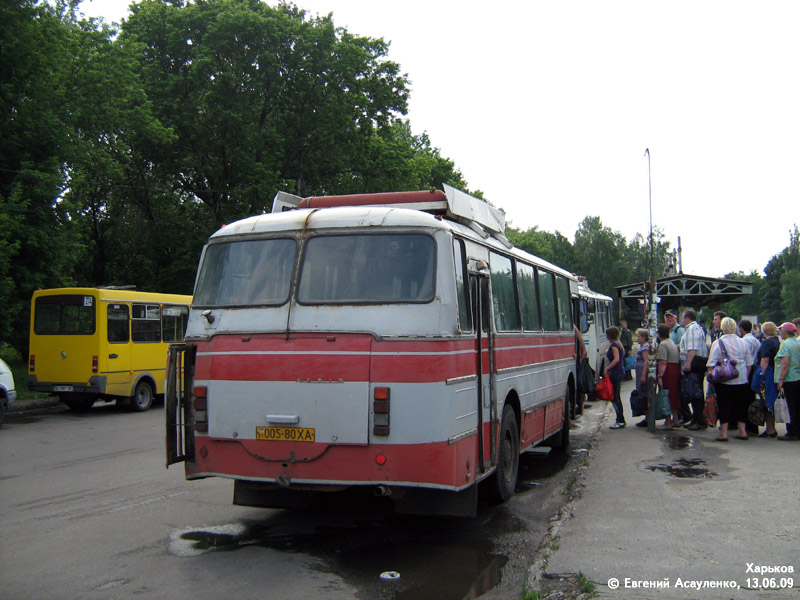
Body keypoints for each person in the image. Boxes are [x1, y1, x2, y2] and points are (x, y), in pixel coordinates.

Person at [706, 317, 751, 441]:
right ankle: (742, 431)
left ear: (722, 327)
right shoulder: (743, 342)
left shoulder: (718, 342)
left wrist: (712, 376)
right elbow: (749, 362)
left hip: (724, 379)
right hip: (741, 378)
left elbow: (711, 363)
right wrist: (745, 374)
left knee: (724, 405)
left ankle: (724, 433)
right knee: (741, 405)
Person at [679, 309, 709, 430]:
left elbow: (693, 348)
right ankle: (696, 418)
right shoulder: (696, 328)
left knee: (695, 392)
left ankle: (699, 420)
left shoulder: (692, 329)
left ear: (687, 318)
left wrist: (688, 363)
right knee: (695, 391)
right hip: (697, 362)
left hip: (695, 363)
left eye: (683, 317)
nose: (682, 320)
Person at [775, 321, 800, 441]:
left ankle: (791, 431)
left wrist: (780, 379)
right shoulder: (797, 342)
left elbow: (785, 363)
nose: (780, 332)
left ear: (785, 332)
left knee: (790, 406)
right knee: (797, 405)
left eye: (781, 330)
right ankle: (798, 430)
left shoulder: (785, 345)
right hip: (798, 376)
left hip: (789, 378)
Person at [655, 323, 681, 429]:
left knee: (666, 395)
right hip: (676, 370)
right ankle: (676, 419)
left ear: (658, 334)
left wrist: (660, 376)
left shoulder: (663, 345)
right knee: (674, 395)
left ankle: (668, 421)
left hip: (668, 372)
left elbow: (663, 362)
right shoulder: (672, 343)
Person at [757, 322, 781, 437]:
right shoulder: (777, 341)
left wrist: (761, 375)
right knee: (772, 400)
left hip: (768, 373)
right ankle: (772, 427)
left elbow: (764, 360)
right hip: (775, 371)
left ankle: (770, 428)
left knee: (767, 400)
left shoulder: (766, 342)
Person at [739, 319, 762, 435]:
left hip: (748, 369)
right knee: (751, 397)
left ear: (741, 329)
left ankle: (749, 426)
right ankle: (753, 425)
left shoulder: (744, 341)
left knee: (745, 399)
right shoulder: (756, 340)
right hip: (755, 367)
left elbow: (745, 357)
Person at [603, 326, 626, 429]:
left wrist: (607, 368)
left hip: (615, 372)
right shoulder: (618, 344)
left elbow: (616, 359)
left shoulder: (614, 345)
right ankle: (620, 419)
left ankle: (620, 419)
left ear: (610, 335)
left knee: (615, 397)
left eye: (607, 334)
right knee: (616, 396)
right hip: (619, 372)